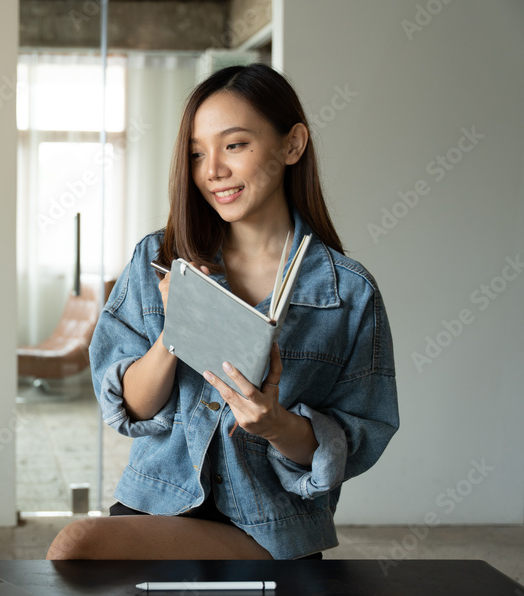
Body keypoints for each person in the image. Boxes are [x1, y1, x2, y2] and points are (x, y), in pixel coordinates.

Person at [46, 63, 400, 561]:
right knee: (81, 563)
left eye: (234, 145)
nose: (212, 170)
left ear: (292, 145)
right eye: (196, 153)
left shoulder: (347, 292)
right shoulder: (159, 260)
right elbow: (130, 409)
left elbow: (356, 439)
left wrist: (274, 424)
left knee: (78, 548)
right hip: (155, 503)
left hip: (268, 528)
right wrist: (175, 332)